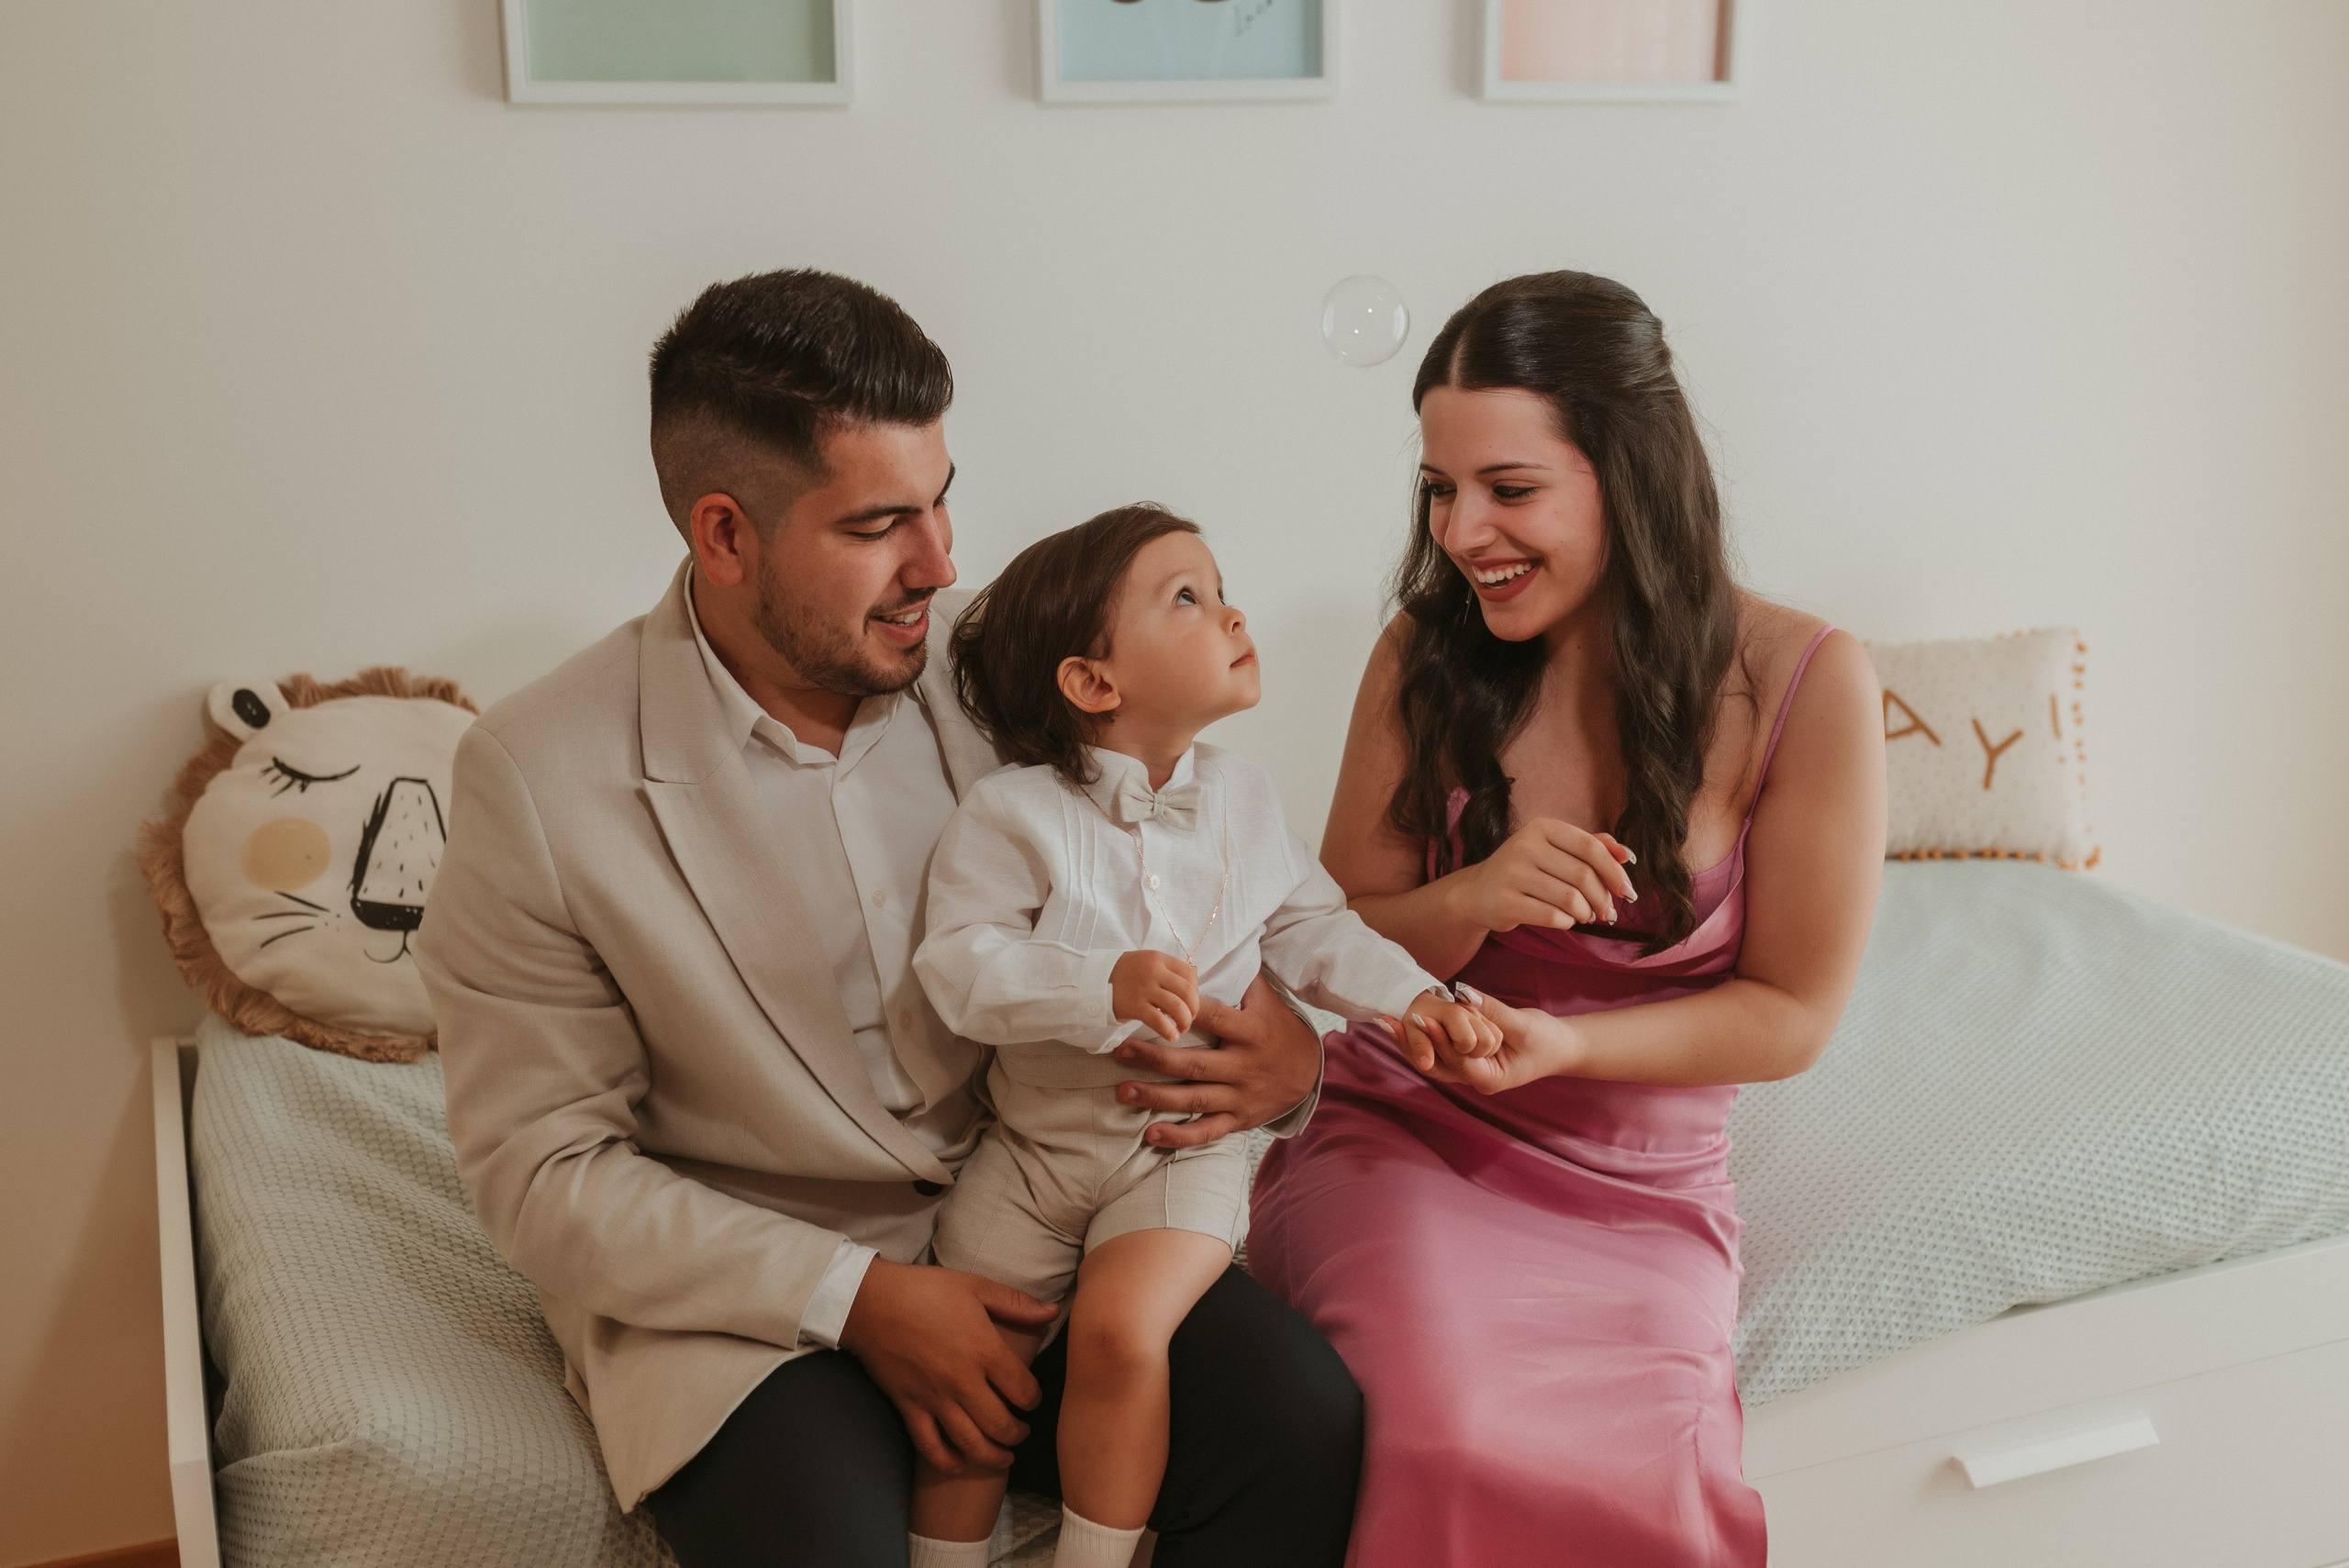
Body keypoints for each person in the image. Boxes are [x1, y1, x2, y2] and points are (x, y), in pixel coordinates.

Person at [414, 269, 1364, 1568]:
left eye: (942, 499)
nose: (942, 563)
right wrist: (858, 1298)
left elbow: (1212, 881)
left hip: (1056, 1201)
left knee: (1301, 1424)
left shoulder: (1009, 669)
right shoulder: (536, 774)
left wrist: (1292, 1060)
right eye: (879, 526)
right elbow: (543, 1175)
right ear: (726, 535)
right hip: (758, 1297)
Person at [1245, 271, 1887, 1566]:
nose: (1462, 530)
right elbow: (1325, 936)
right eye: (1440, 488)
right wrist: (1472, 898)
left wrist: (1571, 1045)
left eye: (1510, 488)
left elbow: (1792, 1013)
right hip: (1412, 1137)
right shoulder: (1423, 655)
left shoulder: (1805, 682)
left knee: (1645, 1481)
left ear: (1628, 473)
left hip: (1640, 1184)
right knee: (1451, 1427)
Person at [907, 506, 1489, 1568]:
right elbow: (958, 967)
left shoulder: (1245, 800)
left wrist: (1416, 999)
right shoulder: (1012, 815)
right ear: (1093, 682)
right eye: (1187, 596)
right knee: (973, 1386)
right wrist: (1100, 984)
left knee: (1124, 1332)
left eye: (1218, 587)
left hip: (1179, 1148)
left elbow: (1315, 930)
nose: (1231, 611)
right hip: (1033, 1153)